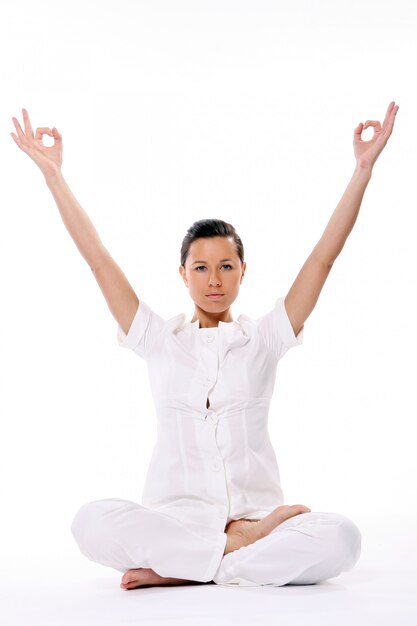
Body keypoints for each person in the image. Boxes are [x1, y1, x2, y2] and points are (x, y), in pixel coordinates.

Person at [10, 102, 399, 589]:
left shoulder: (264, 338)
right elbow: (98, 260)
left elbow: (323, 258)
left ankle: (185, 570)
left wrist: (362, 170)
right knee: (89, 522)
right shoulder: (158, 339)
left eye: (226, 266)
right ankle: (224, 557)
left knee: (342, 538)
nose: (214, 280)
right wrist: (53, 176)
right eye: (201, 267)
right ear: (183, 274)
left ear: (241, 273)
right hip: (175, 523)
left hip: (260, 522)